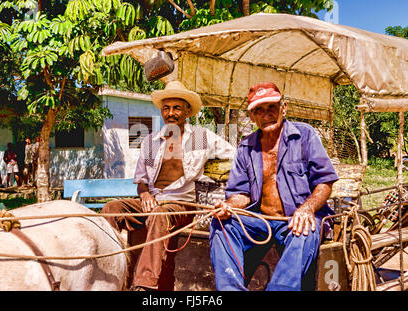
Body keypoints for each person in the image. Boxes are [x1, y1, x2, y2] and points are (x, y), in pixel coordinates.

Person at [102, 80, 236, 291]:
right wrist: (145, 195)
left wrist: (220, 183)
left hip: (184, 205)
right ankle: (108, 270)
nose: (170, 113)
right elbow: (141, 181)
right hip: (154, 203)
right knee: (112, 209)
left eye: (177, 108)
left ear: (188, 111)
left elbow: (237, 157)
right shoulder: (151, 141)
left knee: (159, 215)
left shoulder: (200, 138)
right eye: (166, 108)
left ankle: (143, 285)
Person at [209, 82, 339, 291]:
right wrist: (228, 207)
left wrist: (306, 208)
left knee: (305, 228)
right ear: (251, 116)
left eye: (271, 107)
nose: (266, 114)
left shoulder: (305, 135)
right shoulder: (246, 147)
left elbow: (325, 182)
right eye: (258, 110)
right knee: (221, 224)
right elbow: (240, 194)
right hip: (262, 221)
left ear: (283, 108)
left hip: (297, 218)